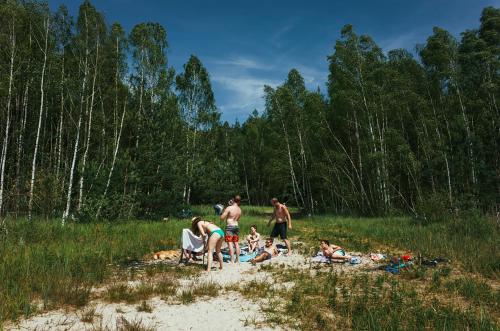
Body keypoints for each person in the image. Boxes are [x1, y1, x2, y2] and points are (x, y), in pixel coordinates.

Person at [220, 195, 242, 263]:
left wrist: (223, 210)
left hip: (229, 227)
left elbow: (222, 218)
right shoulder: (239, 209)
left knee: (230, 243)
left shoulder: (229, 208)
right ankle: (238, 260)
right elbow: (237, 219)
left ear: (233, 200)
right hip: (236, 226)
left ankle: (232, 260)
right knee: (236, 243)